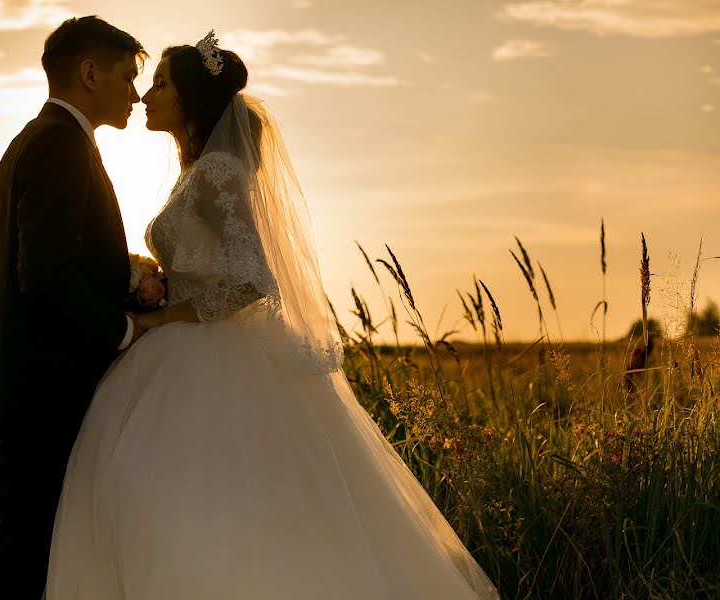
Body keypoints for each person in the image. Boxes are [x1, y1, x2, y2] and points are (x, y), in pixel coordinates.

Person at [45, 31, 501, 599]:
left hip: (209, 356)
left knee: (192, 504)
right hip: (177, 351)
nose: (145, 96)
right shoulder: (196, 174)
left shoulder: (217, 174)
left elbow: (253, 278)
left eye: (160, 84)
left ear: (189, 98)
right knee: (140, 494)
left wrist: (167, 317)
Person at [0, 16, 151, 599]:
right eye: (126, 76)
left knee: (33, 547)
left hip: (32, 379)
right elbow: (45, 275)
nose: (136, 93)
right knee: (24, 554)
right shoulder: (59, 145)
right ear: (90, 73)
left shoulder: (44, 139)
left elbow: (66, 259)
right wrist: (127, 329)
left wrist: (127, 276)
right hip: (39, 386)